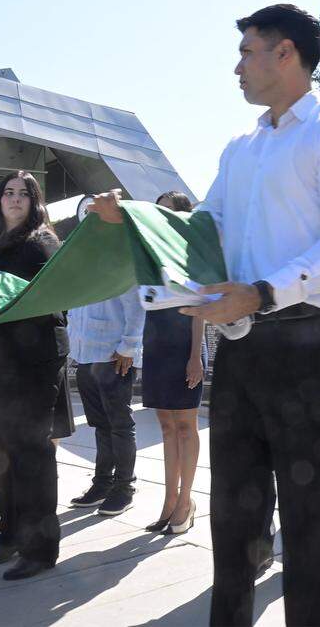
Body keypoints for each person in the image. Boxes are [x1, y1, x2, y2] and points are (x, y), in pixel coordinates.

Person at [89, 3, 320, 627]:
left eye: (247, 52)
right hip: (241, 346)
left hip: (308, 344)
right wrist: (137, 217)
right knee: (232, 515)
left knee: (306, 523)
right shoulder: (241, 146)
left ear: (287, 54)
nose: (237, 67)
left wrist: (265, 291)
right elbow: (207, 226)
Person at [0, 170, 70, 581]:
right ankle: (10, 536)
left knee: (31, 454)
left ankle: (40, 549)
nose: (16, 199)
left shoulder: (42, 243)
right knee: (2, 452)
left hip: (30, 363)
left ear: (35, 201)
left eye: (25, 194)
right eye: (9, 192)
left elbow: (52, 299)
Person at [141, 191, 207, 536]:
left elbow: (200, 308)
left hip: (185, 345)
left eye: (166, 212)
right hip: (156, 345)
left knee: (185, 427)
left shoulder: (192, 253)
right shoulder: (150, 254)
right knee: (166, 428)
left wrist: (195, 355)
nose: (160, 218)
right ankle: (169, 502)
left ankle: (186, 501)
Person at [67, 285, 146, 517]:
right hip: (85, 353)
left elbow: (136, 305)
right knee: (100, 424)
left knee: (120, 425)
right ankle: (103, 482)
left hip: (114, 354)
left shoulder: (116, 258)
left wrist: (129, 346)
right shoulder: (79, 263)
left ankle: (124, 487)